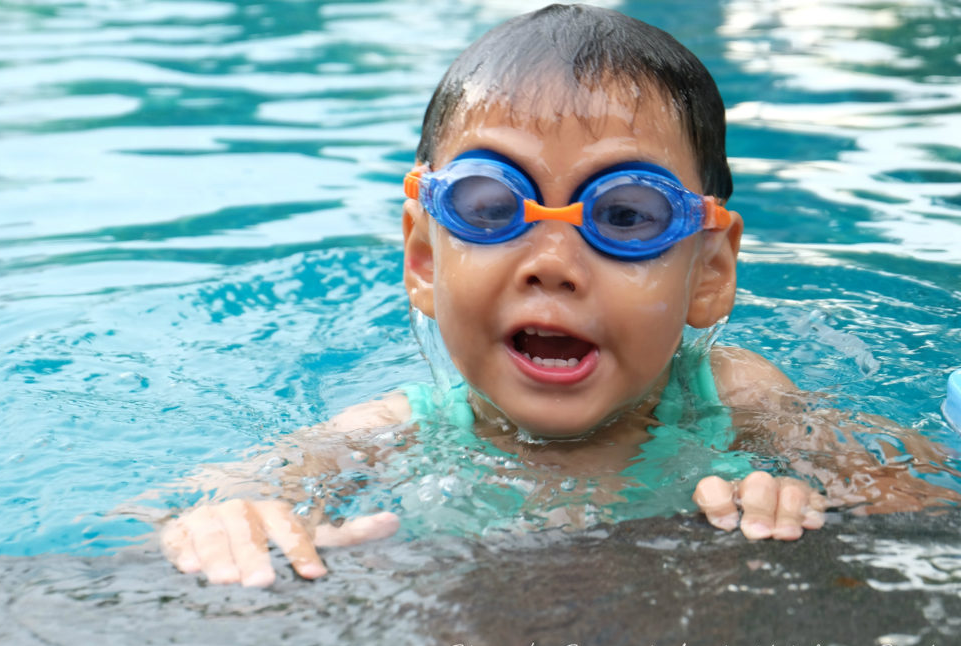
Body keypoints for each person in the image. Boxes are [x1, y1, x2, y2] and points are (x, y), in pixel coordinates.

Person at [159, 4, 957, 587]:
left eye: (624, 215)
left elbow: (917, 502)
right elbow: (221, 494)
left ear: (708, 273)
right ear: (423, 257)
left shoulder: (737, 400)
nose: (552, 264)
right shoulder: (395, 431)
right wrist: (228, 518)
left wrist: (806, 508)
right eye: (489, 206)